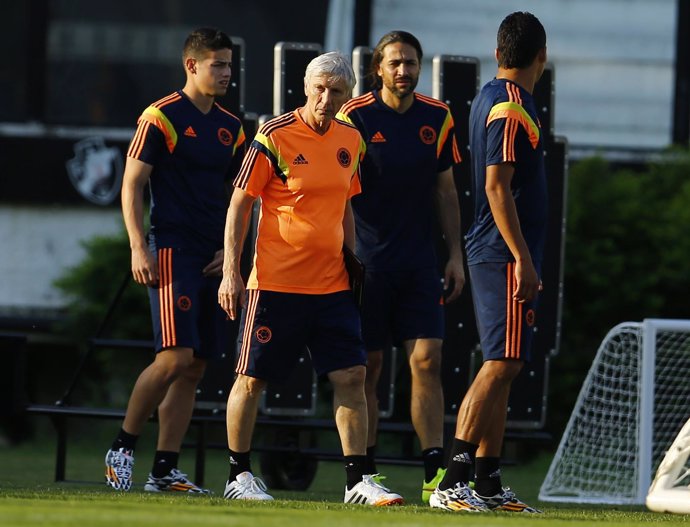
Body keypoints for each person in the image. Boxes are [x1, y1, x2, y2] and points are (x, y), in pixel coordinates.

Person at [217, 51, 403, 506]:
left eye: (336, 91)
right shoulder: (273, 135)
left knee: (352, 375)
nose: (325, 98)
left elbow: (345, 206)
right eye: (319, 88)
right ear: (306, 87)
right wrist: (230, 271)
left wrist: (353, 259)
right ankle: (237, 475)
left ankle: (356, 481)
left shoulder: (350, 139)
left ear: (347, 95)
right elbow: (240, 204)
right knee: (251, 379)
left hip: (333, 286)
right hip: (276, 284)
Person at [104, 27, 245, 493]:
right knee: (173, 357)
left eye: (228, 64)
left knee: (197, 365)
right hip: (171, 250)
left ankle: (163, 471)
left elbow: (243, 195)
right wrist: (137, 246)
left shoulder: (232, 125)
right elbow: (132, 183)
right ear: (192, 66)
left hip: (211, 255)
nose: (226, 72)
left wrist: (231, 251)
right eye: (217, 64)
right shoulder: (160, 116)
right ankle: (121, 448)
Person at [337, 30, 464, 504]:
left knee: (427, 361)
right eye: (394, 63)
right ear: (378, 69)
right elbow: (338, 187)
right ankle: (365, 473)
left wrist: (455, 255)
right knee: (367, 367)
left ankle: (435, 473)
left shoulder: (439, 116)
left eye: (411, 62)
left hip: (418, 263)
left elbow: (446, 191)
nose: (404, 70)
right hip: (367, 264)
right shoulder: (356, 114)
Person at [428, 11, 547, 513]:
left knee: (505, 362)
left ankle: (489, 484)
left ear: (499, 54)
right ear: (540, 57)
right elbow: (496, 186)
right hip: (501, 252)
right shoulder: (510, 105)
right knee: (501, 363)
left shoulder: (487, 96)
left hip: (497, 251)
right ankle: (453, 481)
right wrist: (522, 257)